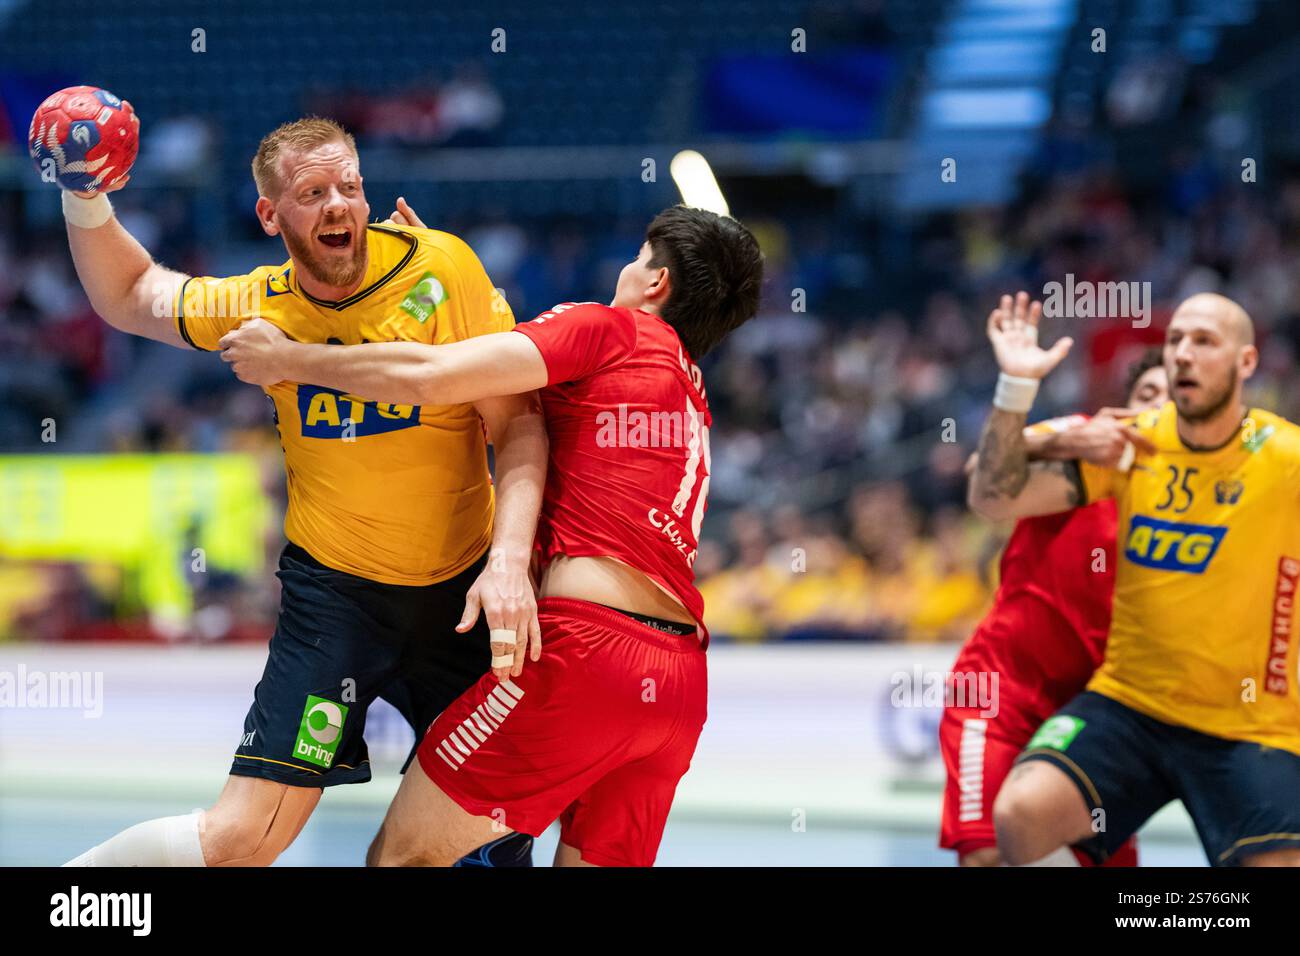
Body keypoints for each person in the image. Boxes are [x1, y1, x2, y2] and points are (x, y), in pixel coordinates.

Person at [58, 116, 546, 867]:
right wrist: (84, 198)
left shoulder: (441, 270)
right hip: (337, 606)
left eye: (348, 187)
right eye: (312, 193)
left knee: (485, 849)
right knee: (239, 842)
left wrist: (510, 562)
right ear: (270, 215)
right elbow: (129, 294)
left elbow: (517, 422)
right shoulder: (259, 305)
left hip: (463, 599)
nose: (338, 207)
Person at [220, 200, 764, 866]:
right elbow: (521, 374)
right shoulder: (689, 389)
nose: (624, 269)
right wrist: (451, 288)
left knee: (401, 857)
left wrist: (292, 358)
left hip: (590, 658)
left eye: (636, 259)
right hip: (678, 686)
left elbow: (432, 377)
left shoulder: (609, 329)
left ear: (655, 284)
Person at [967, 290, 1300, 867]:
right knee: (1017, 820)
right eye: (1175, 340)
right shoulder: (1134, 441)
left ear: (1247, 363)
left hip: (1252, 729)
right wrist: (1017, 391)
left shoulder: (1284, 458)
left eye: (1204, 341)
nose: (1184, 355)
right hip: (1130, 707)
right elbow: (990, 496)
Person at [942, 348, 1166, 866]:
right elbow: (982, 471)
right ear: (1122, 411)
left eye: (1172, 399)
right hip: (1000, 691)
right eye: (1146, 396)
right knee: (988, 856)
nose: (1158, 408)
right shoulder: (1088, 443)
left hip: (1100, 720)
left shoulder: (1199, 509)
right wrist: (1066, 437)